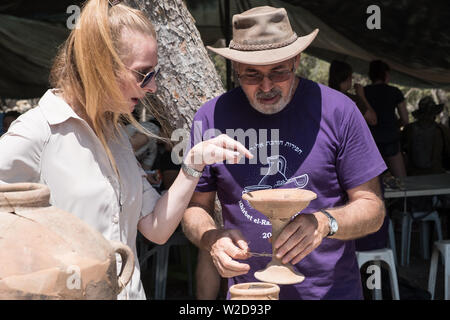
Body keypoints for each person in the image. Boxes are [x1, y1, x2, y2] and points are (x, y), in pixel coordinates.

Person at [0, 0, 251, 300]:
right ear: (100, 67)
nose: (153, 87)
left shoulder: (115, 136)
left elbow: (156, 228)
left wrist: (194, 163)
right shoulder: (37, 132)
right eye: (143, 74)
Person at [182, 6, 386, 300]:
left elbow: (373, 208)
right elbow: (194, 209)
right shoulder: (211, 118)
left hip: (330, 293)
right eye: (252, 75)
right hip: (249, 295)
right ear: (236, 69)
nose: (267, 86)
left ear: (296, 60)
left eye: (278, 71)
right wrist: (212, 238)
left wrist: (325, 223)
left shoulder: (338, 112)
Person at [364, 60, 409, 178]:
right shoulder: (395, 92)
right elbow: (405, 119)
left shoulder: (363, 92)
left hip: (370, 143)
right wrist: (395, 125)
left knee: (374, 185)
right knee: (402, 183)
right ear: (386, 74)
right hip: (391, 140)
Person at [402, 96, 450, 175]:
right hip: (435, 173)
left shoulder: (408, 129)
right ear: (434, 114)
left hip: (413, 174)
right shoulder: (441, 130)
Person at [328, 60, 377, 126]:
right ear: (348, 78)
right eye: (351, 76)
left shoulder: (323, 96)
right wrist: (362, 96)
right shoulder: (353, 101)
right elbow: (373, 120)